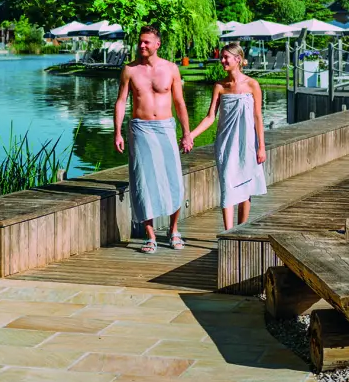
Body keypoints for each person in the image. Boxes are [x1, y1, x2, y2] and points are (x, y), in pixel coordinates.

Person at [114, 25, 192, 253]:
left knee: (174, 179)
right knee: (142, 181)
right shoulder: (129, 70)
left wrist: (186, 133)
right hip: (140, 128)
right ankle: (150, 235)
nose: (141, 45)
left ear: (157, 44)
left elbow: (179, 103)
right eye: (140, 41)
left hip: (166, 127)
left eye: (147, 42)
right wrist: (117, 131)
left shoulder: (171, 69)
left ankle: (173, 229)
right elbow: (121, 102)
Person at [186, 42, 267, 230]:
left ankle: (241, 230)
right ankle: (228, 232)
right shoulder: (220, 86)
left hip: (247, 143)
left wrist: (261, 147)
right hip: (225, 144)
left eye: (225, 57)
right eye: (222, 57)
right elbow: (210, 117)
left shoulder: (252, 85)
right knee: (228, 185)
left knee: (245, 187)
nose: (222, 60)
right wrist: (191, 135)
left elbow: (257, 117)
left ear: (237, 59)